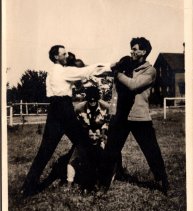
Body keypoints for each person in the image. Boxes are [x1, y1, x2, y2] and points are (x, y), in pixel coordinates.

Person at [21, 45, 111, 197]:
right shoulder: (63, 71)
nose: (67, 55)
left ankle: (28, 187)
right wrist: (110, 66)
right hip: (64, 110)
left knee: (45, 151)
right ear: (56, 57)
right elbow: (85, 71)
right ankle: (93, 182)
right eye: (64, 53)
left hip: (54, 111)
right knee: (85, 145)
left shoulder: (51, 72)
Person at [101, 37, 169, 194]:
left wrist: (117, 73)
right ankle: (103, 184)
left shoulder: (149, 71)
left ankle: (163, 181)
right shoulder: (126, 65)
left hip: (139, 117)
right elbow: (114, 86)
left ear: (143, 52)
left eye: (135, 48)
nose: (131, 51)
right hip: (121, 116)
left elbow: (133, 85)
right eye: (131, 48)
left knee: (152, 151)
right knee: (110, 151)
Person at [66, 86, 110, 188]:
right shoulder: (79, 108)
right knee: (75, 156)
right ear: (87, 99)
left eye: (95, 99)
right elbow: (77, 126)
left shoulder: (106, 108)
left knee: (105, 156)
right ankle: (69, 183)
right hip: (86, 134)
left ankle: (102, 182)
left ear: (98, 98)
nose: (93, 101)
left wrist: (103, 137)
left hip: (101, 134)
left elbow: (108, 124)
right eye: (90, 99)